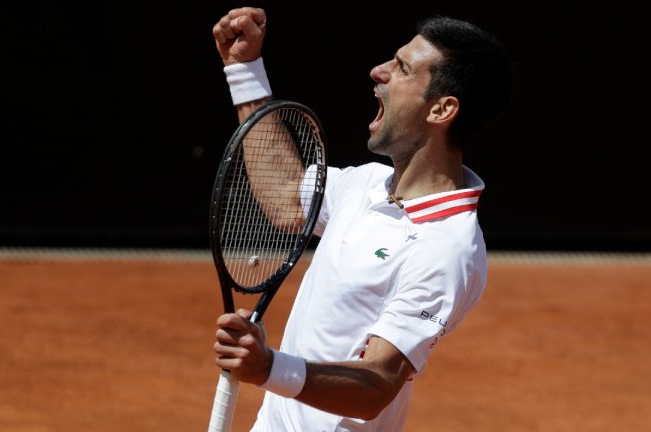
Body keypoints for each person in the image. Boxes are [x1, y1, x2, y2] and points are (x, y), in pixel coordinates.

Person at [211, 6, 513, 431]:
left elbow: (376, 385)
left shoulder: (446, 248)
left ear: (442, 109)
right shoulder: (367, 183)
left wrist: (269, 368)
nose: (378, 71)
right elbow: (287, 198)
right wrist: (244, 71)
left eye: (402, 68)